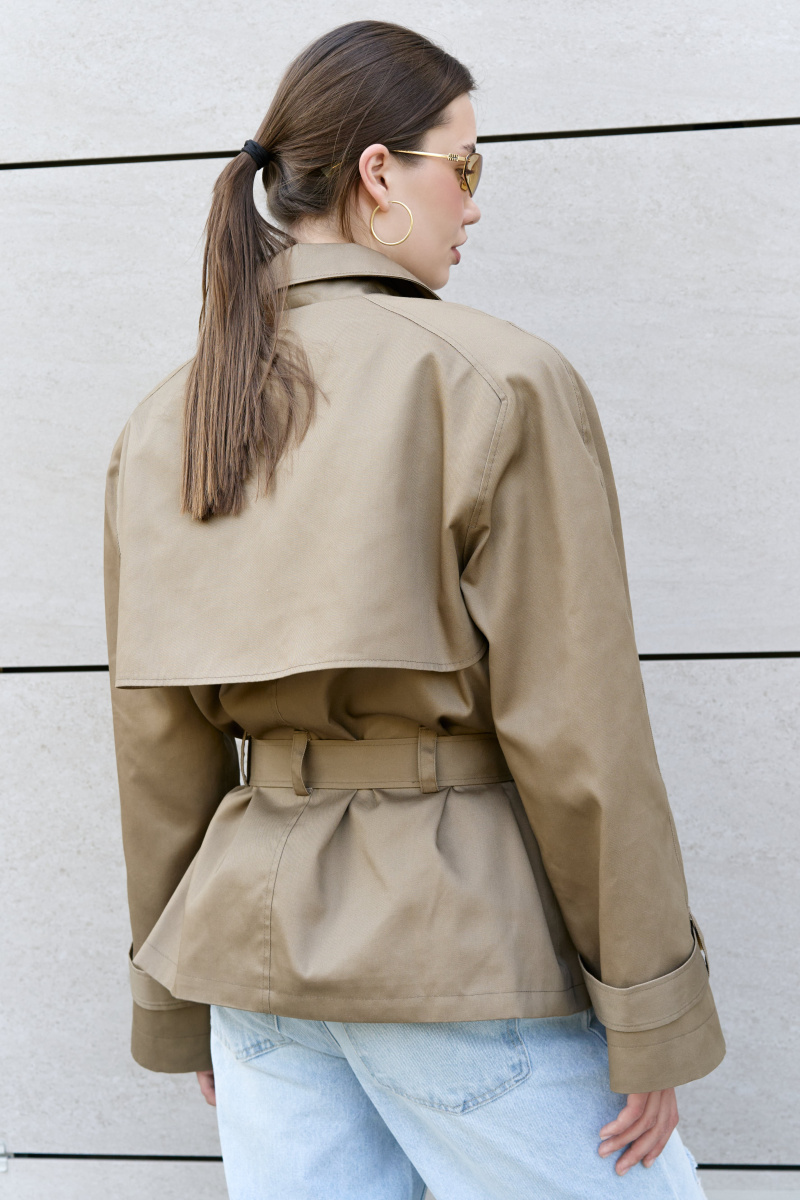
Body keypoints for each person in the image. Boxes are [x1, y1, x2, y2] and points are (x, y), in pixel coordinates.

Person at [104, 19, 725, 1200]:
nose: (473, 205)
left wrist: (176, 998)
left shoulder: (169, 418)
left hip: (249, 955)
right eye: (466, 164)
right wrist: (646, 1007)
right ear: (380, 174)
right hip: (449, 948)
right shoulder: (494, 381)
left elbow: (156, 743)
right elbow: (579, 730)